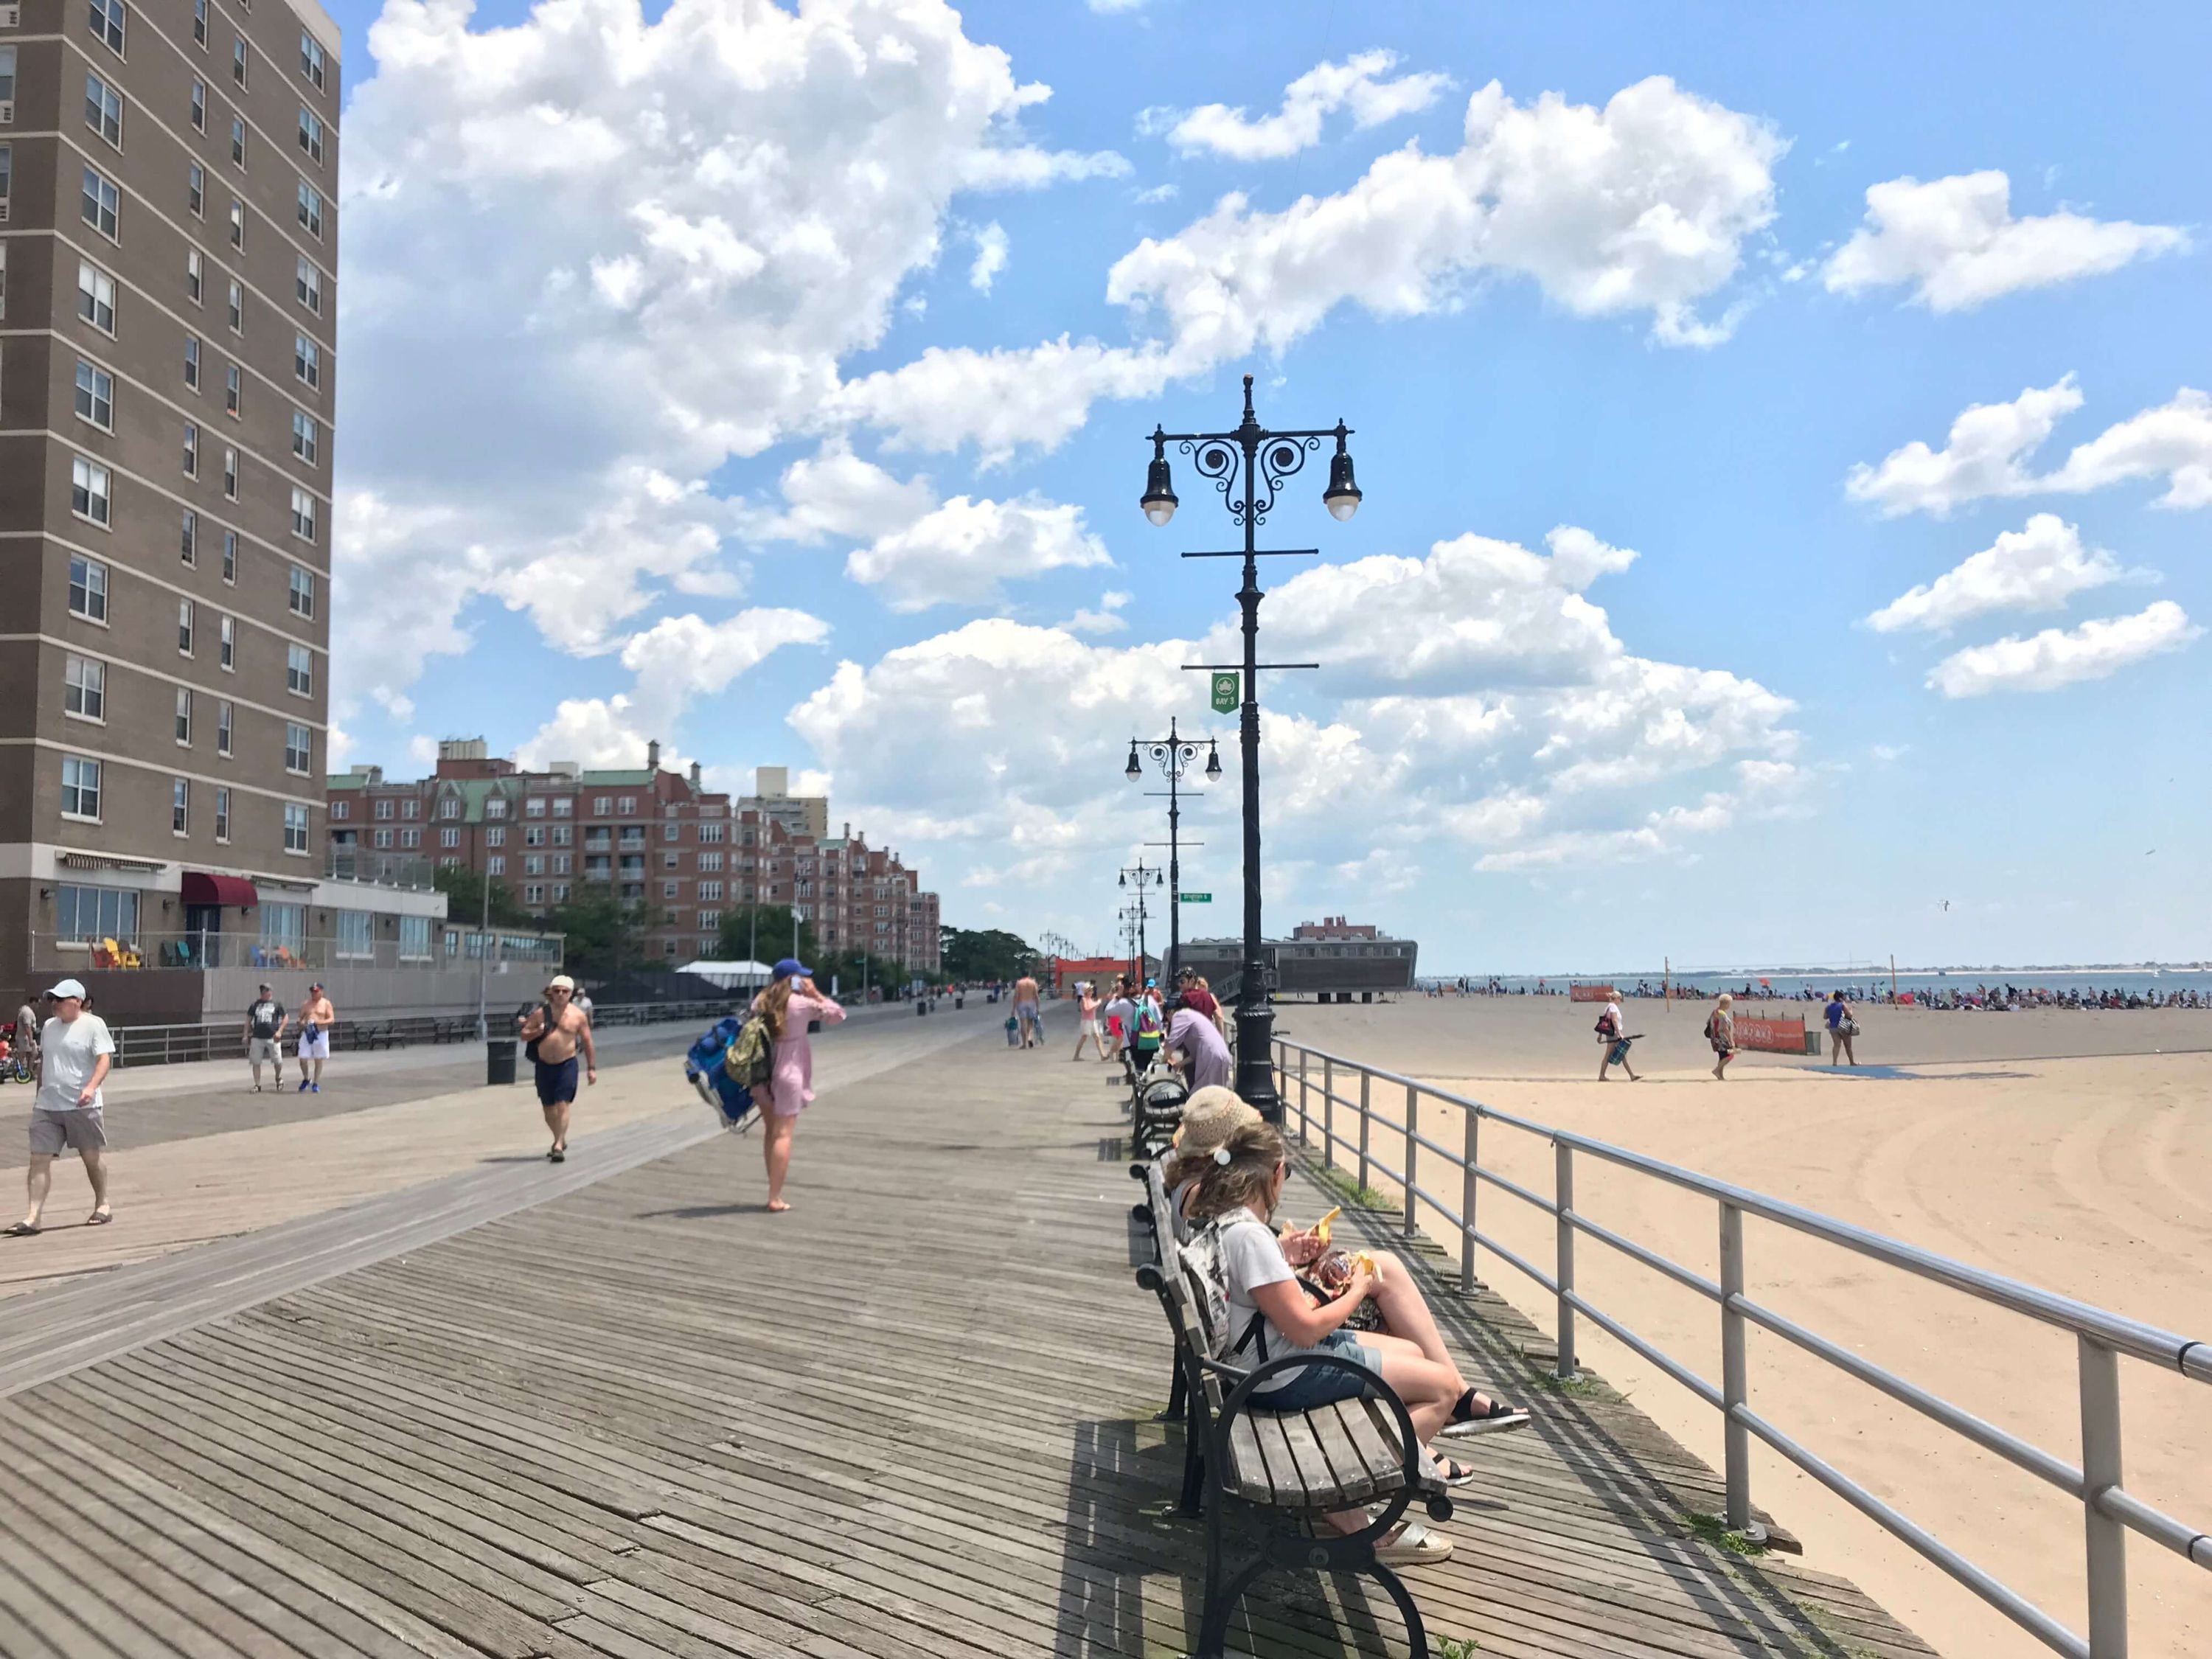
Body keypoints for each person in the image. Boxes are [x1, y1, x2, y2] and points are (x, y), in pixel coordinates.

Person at [1189, 1123, 1526, 1563]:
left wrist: (1288, 1255)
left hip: (1267, 1365)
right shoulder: (1251, 1237)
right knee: (1442, 1389)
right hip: (1281, 1375)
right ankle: (1348, 1492)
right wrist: (1359, 1289)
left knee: (1414, 1355)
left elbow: (1270, 1303)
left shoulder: (1233, 1225)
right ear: (1275, 1173)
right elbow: (1306, 1329)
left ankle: (1359, 1484)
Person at [6, 980, 114, 1237]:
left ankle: (103, 1204)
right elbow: (47, 1062)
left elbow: (104, 1060)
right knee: (38, 1159)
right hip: (48, 1105)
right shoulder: (51, 1027)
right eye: (52, 1000)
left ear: (77, 1001)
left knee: (91, 1158)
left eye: (60, 1000)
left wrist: (91, 1087)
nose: (54, 1004)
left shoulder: (93, 1025)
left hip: (81, 1104)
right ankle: (33, 1217)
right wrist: (38, 1092)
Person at [748, 959, 845, 1212]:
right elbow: (837, 1015)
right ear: (792, 979)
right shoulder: (802, 1004)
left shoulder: (760, 1001)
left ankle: (773, 1188)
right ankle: (775, 1196)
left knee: (771, 1132)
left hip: (762, 1073)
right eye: (800, 977)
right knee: (784, 1135)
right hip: (789, 1072)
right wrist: (814, 993)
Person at [517, 973, 596, 1162]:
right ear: (551, 992)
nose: (560, 994)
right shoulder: (541, 1014)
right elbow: (524, 1034)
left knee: (563, 1104)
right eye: (557, 991)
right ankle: (559, 1137)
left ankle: (558, 1145)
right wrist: (537, 1031)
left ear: (571, 994)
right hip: (544, 1066)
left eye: (564, 991)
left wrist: (591, 1068)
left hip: (567, 1064)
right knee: (548, 1110)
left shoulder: (578, 1016)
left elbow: (587, 1042)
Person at [1167, 1001, 1232, 1091]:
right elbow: (1194, 1055)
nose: (1168, 1019)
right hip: (1221, 1051)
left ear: (1171, 1012)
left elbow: (1171, 1042)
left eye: (1167, 1015)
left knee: (1201, 1094)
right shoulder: (1193, 1018)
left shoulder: (1179, 1017)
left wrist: (1165, 1058)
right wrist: (1179, 1064)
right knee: (1217, 1093)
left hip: (1210, 1054)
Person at [243, 981, 287, 1092]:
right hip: (257, 1036)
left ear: (270, 992)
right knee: (256, 1061)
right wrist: (245, 1035)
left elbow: (285, 1017)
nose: (264, 993)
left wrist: (280, 1031)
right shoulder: (255, 1004)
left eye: (266, 990)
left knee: (277, 1060)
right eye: (262, 991)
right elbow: (248, 1020)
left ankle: (278, 1077)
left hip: (272, 1036)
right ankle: (257, 1084)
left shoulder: (277, 1004)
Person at [295, 983, 335, 1093]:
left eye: (316, 991)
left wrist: (319, 1022)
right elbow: (300, 1017)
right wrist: (301, 1022)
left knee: (318, 1058)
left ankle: (316, 1083)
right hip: (308, 1032)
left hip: (320, 1032)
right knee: (303, 1057)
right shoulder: (306, 1004)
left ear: (321, 991)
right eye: (313, 991)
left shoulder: (326, 1003)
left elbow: (331, 1019)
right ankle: (306, 1078)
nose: (314, 993)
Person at [1595, 995, 1638, 1082]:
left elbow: (1604, 1022)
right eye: (1620, 999)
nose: (1620, 1000)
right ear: (1616, 999)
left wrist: (1600, 1035)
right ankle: (1602, 1075)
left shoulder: (1608, 1007)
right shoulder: (1613, 1007)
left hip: (1612, 1034)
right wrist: (1619, 1034)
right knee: (1610, 1054)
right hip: (1614, 1034)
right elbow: (1614, 1021)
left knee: (1622, 1054)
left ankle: (1632, 1075)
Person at [1102, 978, 1135, 1063]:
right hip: (1116, 1018)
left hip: (1119, 1018)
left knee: (1120, 1039)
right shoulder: (1135, 1000)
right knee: (1119, 1038)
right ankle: (1115, 1055)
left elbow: (1107, 1010)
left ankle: (1113, 1054)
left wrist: (1117, 996)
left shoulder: (1121, 1001)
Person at [1073, 983, 1108, 1062]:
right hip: (1086, 1021)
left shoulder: (1090, 999)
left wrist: (1097, 1004)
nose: (1092, 992)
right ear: (1087, 992)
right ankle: (1076, 1055)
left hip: (1093, 1021)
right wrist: (1097, 1003)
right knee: (1084, 1038)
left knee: (1098, 1038)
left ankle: (1102, 1056)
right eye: (1090, 990)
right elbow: (1087, 1009)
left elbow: (1093, 1008)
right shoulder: (1083, 1000)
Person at [1707, 992, 1736, 1081]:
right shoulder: (1722, 1014)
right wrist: (1731, 1041)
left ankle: (1720, 1076)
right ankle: (1716, 1070)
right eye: (1729, 1004)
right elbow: (1725, 1028)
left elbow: (1709, 1023)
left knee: (1722, 1057)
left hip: (1715, 1038)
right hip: (1722, 1039)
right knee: (1731, 1055)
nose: (1729, 1006)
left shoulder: (1715, 1012)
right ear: (1726, 1003)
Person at [1826, 990, 1858, 1067]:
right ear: (1841, 998)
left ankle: (1835, 1062)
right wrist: (1851, 1010)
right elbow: (1849, 1015)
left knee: (1836, 1045)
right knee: (1848, 1046)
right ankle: (1851, 1062)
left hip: (1833, 1027)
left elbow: (1825, 1016)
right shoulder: (1842, 1005)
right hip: (1843, 1026)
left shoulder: (1829, 1006)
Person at [1012, 973, 1041, 1049]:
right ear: (1028, 975)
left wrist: (1013, 1009)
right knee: (1030, 1023)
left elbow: (1016, 996)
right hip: (1031, 1003)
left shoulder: (1019, 983)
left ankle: (1024, 1044)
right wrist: (1038, 1008)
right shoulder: (1033, 982)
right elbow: (1037, 996)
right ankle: (1030, 1038)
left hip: (1021, 1003)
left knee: (1023, 1024)